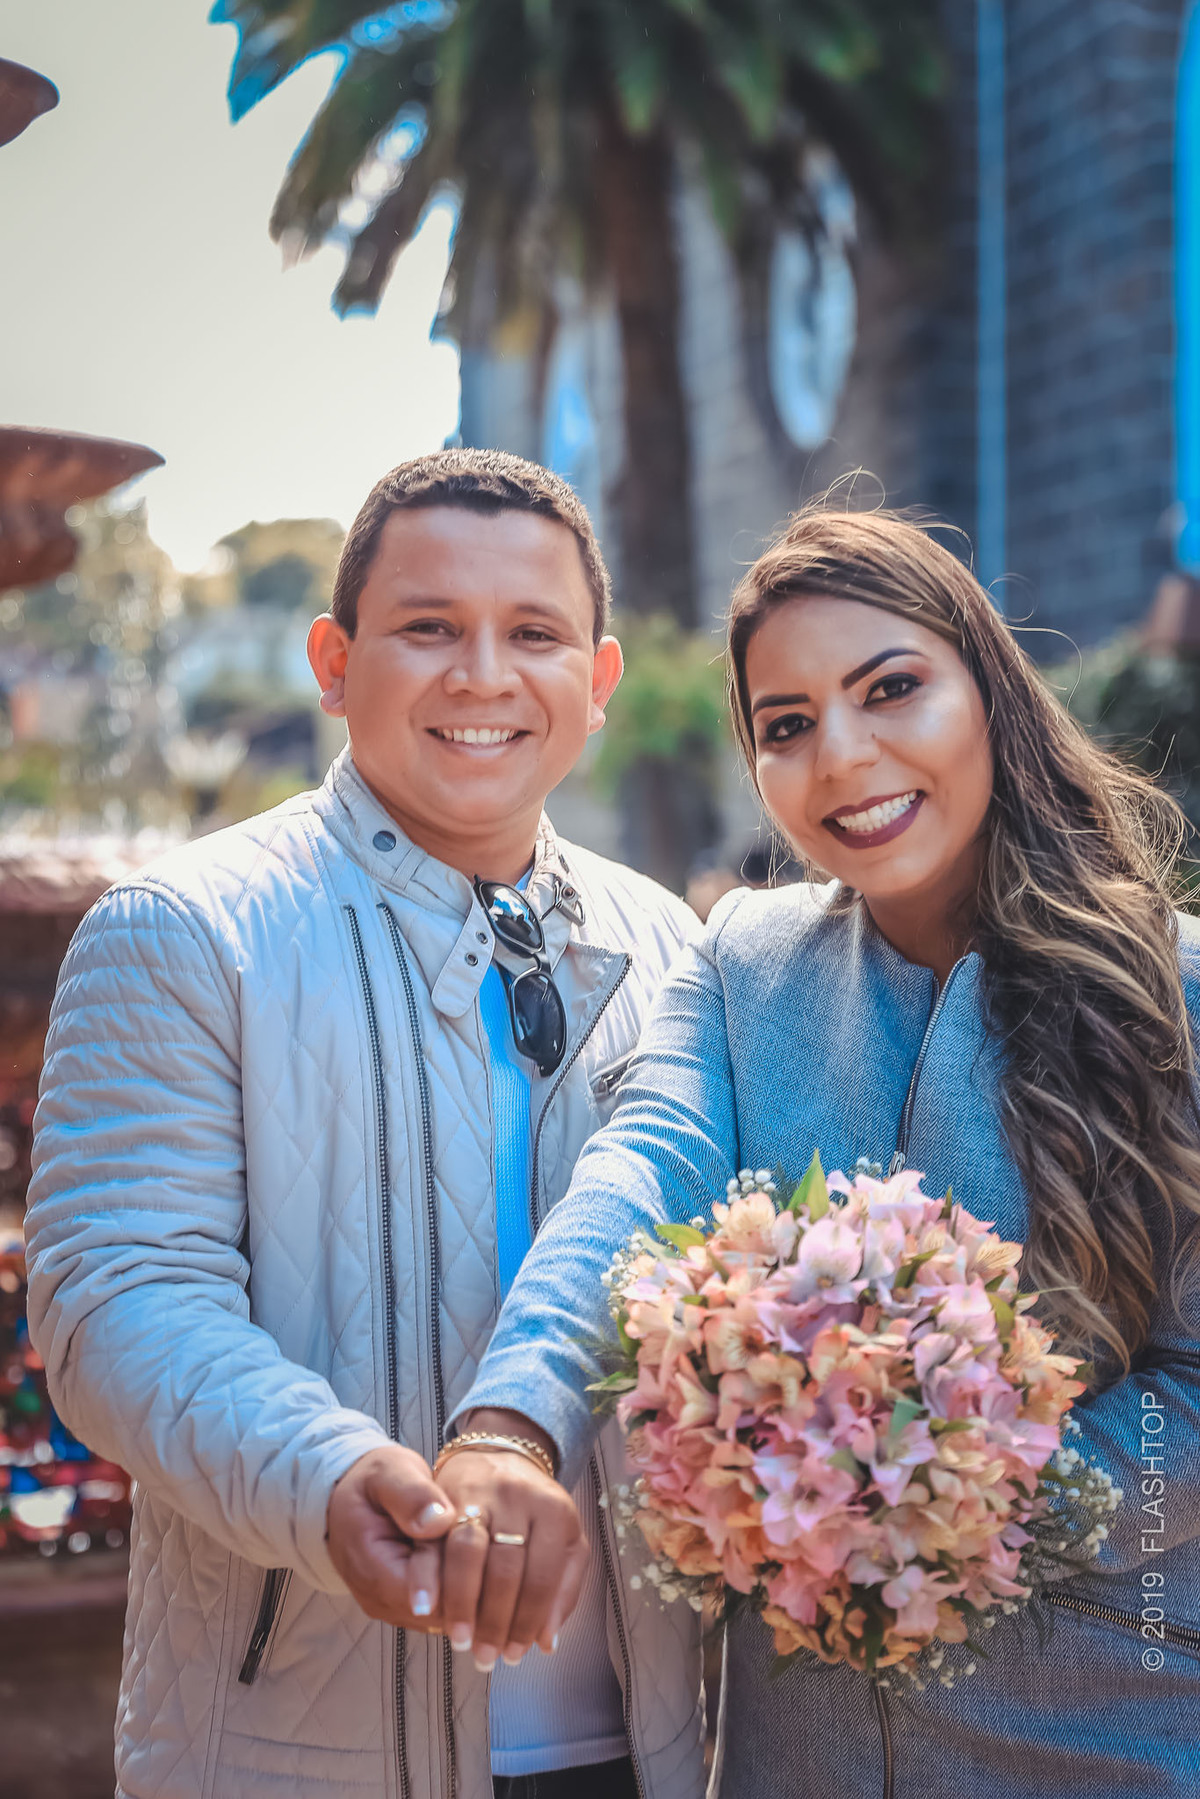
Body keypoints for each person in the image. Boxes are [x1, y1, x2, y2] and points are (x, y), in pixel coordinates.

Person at [450, 502, 1200, 1797]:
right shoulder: (744, 964)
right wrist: (512, 1420)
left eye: (891, 689)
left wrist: (917, 1492)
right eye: (786, 726)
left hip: (1110, 1730)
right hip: (797, 1762)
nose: (842, 757)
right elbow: (634, 1179)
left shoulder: (1176, 996)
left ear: (990, 692)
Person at [24, 449, 706, 1799]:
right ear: (334, 663)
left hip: (652, 1740)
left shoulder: (673, 945)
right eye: (429, 628)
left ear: (598, 681)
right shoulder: (184, 931)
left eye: (534, 635)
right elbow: (115, 1300)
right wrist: (330, 1480)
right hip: (300, 1745)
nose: (484, 676)